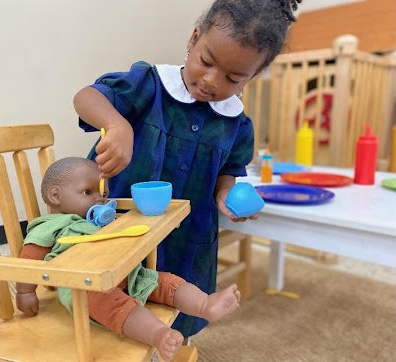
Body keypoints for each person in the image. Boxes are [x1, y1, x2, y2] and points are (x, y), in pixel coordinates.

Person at [73, 0, 302, 338]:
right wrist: (117, 125)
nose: (211, 80)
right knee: (111, 301)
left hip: (187, 234)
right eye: (206, 62)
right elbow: (87, 97)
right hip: (124, 223)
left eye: (233, 77)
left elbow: (230, 168)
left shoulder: (237, 124)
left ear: (252, 76)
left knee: (176, 307)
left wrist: (226, 193)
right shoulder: (149, 85)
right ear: (194, 39)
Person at [16, 157, 241, 361]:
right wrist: (25, 292)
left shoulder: (99, 220)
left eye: (103, 193)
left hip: (127, 274)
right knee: (112, 303)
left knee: (164, 281)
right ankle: (158, 334)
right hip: (84, 287)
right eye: (87, 192)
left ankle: (205, 304)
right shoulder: (51, 226)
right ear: (55, 196)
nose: (100, 199)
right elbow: (29, 260)